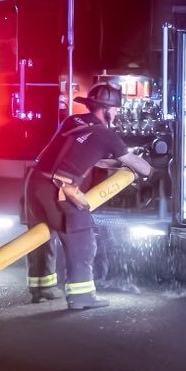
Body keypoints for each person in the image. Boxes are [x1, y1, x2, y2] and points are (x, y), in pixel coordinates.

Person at [24, 83, 154, 310]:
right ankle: (81, 295)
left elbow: (89, 155)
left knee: (43, 236)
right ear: (105, 109)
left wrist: (119, 158)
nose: (116, 114)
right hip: (59, 190)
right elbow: (139, 168)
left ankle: (42, 287)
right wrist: (151, 170)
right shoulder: (107, 134)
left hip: (34, 183)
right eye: (114, 109)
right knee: (81, 235)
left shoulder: (72, 121)